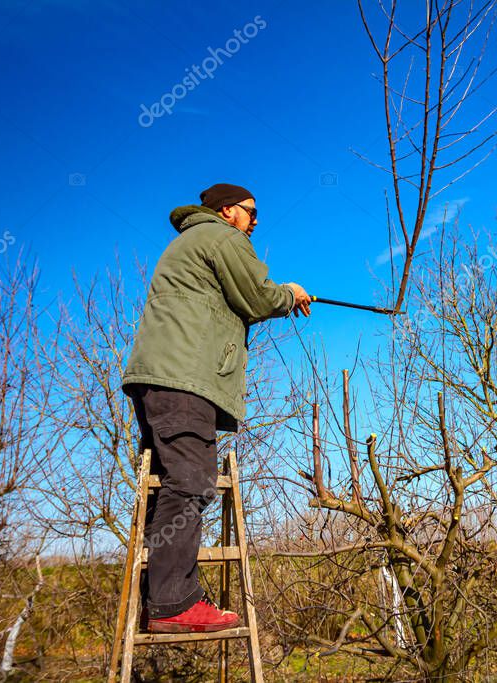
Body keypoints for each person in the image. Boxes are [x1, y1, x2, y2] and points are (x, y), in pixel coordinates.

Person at [122, 182, 311, 633]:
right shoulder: (223, 238)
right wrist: (290, 293)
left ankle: (162, 600)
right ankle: (172, 605)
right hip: (185, 380)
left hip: (162, 380)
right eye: (251, 211)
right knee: (190, 482)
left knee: (170, 486)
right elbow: (259, 296)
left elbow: (234, 300)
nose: (255, 220)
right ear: (228, 212)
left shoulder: (190, 241)